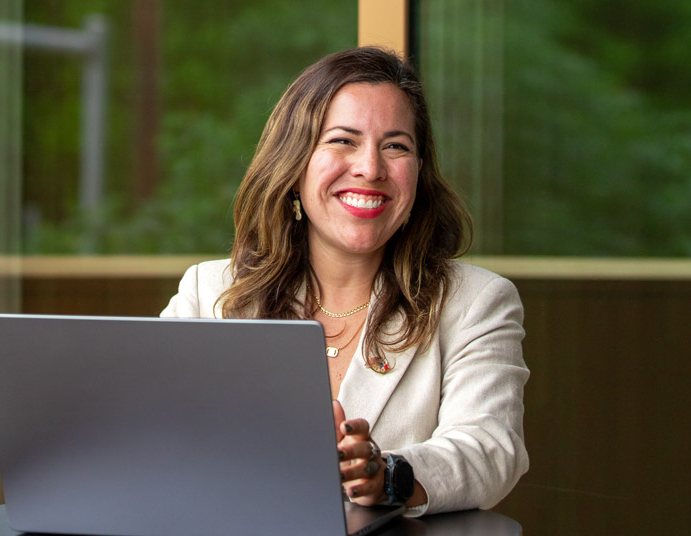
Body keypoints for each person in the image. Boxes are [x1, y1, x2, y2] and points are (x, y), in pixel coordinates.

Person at [160, 46, 528, 516]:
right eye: (342, 140)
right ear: (294, 165)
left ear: (418, 174)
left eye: (396, 146)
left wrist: (388, 474)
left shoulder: (476, 302)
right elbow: (148, 433)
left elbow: (491, 450)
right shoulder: (208, 292)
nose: (370, 169)